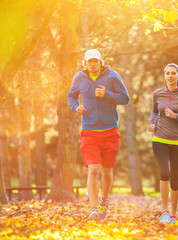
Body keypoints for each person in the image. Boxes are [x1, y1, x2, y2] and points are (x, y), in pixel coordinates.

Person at [67, 49, 129, 220]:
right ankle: (94, 210)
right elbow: (71, 96)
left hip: (110, 131)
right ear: (85, 63)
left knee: (106, 172)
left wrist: (106, 94)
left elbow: (125, 98)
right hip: (89, 131)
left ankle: (104, 200)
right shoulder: (79, 78)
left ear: (101, 61)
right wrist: (75, 107)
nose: (93, 64)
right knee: (93, 169)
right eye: (89, 61)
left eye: (95, 61)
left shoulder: (112, 76)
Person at [148, 63, 178, 224]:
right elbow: (155, 111)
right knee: (164, 173)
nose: (170, 76)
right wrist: (152, 123)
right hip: (160, 139)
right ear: (165, 75)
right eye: (167, 73)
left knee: (175, 180)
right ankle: (164, 211)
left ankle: (174, 215)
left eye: (173, 73)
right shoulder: (158, 93)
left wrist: (175, 116)